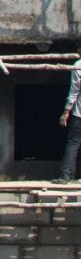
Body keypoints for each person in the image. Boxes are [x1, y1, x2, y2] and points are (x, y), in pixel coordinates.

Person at [54, 40, 81, 184]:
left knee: (73, 143)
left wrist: (66, 112)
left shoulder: (78, 66)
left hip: (79, 113)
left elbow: (74, 91)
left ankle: (66, 176)